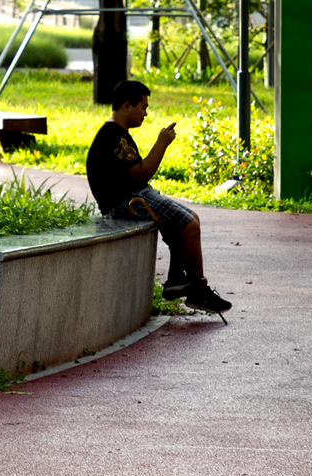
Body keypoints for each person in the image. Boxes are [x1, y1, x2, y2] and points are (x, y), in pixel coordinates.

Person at [85, 78, 232, 316]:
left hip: (135, 195)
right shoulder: (113, 135)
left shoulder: (116, 133)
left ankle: (177, 278)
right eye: (142, 107)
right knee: (190, 226)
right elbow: (142, 172)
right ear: (126, 106)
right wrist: (161, 143)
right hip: (126, 203)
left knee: (191, 218)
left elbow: (137, 174)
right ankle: (199, 292)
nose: (145, 113)